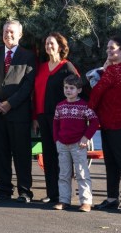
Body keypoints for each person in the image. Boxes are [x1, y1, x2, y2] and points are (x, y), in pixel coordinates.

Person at [0, 20, 36, 203]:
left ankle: (24, 191)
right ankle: (4, 190)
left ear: (20, 35)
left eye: (12, 32)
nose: (8, 35)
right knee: (0, 154)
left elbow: (28, 85)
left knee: (21, 155)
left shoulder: (28, 56)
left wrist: (9, 103)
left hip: (18, 114)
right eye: (6, 31)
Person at [89, 36, 121, 214]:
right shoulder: (120, 69)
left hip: (118, 122)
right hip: (110, 121)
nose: (109, 51)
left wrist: (86, 111)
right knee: (112, 161)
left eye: (113, 48)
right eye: (108, 48)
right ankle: (112, 198)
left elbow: (97, 92)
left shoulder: (115, 70)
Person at [32, 32, 81, 204]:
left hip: (62, 119)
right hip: (43, 117)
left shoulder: (67, 67)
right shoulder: (42, 67)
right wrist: (35, 117)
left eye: (52, 43)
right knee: (49, 156)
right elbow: (36, 93)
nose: (48, 46)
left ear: (60, 46)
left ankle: (64, 195)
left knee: (63, 157)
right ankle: (52, 193)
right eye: (46, 43)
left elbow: (78, 89)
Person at [52, 74, 99, 212]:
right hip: (62, 144)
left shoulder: (84, 106)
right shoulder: (60, 106)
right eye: (66, 87)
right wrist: (56, 139)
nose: (68, 90)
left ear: (79, 90)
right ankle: (64, 200)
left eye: (71, 88)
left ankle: (86, 201)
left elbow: (94, 121)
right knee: (64, 174)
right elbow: (55, 123)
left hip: (78, 145)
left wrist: (86, 137)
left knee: (82, 173)